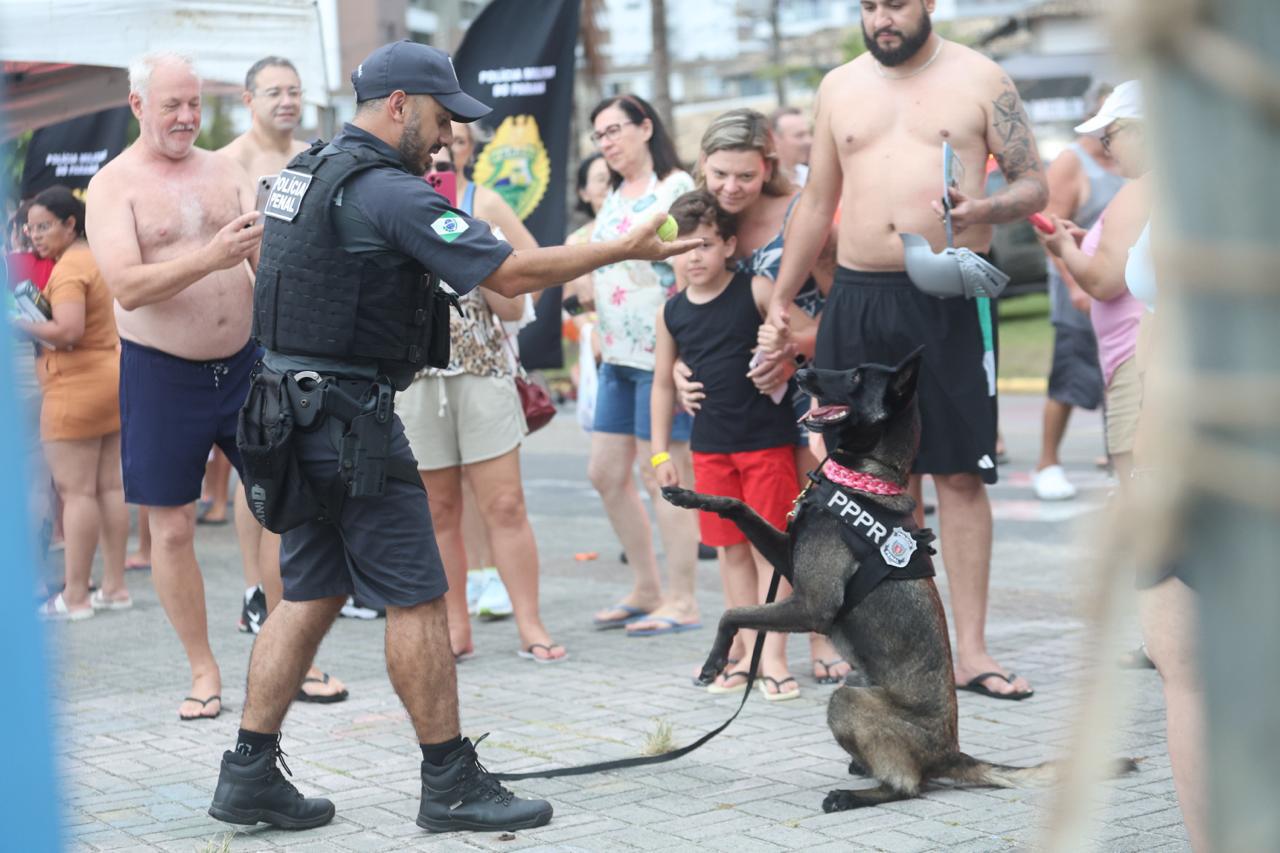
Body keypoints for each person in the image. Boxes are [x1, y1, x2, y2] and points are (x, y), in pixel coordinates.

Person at [205, 40, 698, 833]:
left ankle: (248, 772)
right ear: (398, 105)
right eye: (438, 120)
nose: (444, 139)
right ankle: (450, 781)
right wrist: (626, 247)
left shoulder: (307, 172)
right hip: (352, 425)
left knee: (307, 592)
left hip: (293, 415)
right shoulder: (386, 191)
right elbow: (508, 275)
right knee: (418, 597)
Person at [767, 0, 1048, 700]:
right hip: (858, 298)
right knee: (873, 483)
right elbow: (815, 199)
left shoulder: (983, 79)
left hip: (948, 295)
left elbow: (1033, 182)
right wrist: (783, 290)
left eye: (894, 4)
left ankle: (972, 651)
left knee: (956, 474)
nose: (881, 18)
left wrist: (984, 210)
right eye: (868, 6)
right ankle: (906, 643)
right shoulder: (839, 86)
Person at [86, 52, 263, 721]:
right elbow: (127, 284)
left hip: (244, 361)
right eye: (172, 105)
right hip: (162, 373)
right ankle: (203, 667)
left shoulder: (227, 168)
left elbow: (260, 257)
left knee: (287, 503)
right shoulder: (114, 185)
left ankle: (286, 647)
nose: (187, 117)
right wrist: (212, 256)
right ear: (138, 106)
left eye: (193, 103)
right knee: (172, 527)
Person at [680, 108, 849, 684]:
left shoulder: (802, 212)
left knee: (805, 523)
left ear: (768, 168)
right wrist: (678, 369)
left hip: (803, 391)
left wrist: (797, 345)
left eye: (745, 177)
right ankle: (751, 640)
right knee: (742, 530)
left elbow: (843, 313)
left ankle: (821, 637)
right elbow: (687, 309)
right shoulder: (694, 217)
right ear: (703, 164)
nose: (731, 187)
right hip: (733, 401)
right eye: (719, 173)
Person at [396, 143, 565, 663]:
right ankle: (454, 627)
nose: (439, 165)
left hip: (483, 372)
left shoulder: (484, 205)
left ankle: (531, 624)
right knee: (439, 509)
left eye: (449, 157)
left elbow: (515, 306)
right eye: (432, 157)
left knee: (505, 504)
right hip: (417, 379)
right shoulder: (390, 203)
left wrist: (480, 250)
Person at [216, 55, 348, 703]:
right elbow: (240, 247)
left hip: (311, 328)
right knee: (258, 464)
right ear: (248, 99)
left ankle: (290, 589)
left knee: (292, 463)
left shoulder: (317, 154)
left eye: (295, 91)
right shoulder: (229, 161)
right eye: (274, 91)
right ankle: (256, 590)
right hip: (259, 331)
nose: (287, 101)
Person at [652, 190, 802, 698]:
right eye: (684, 247)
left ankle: (774, 656)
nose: (694, 256)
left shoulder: (755, 290)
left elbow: (795, 337)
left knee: (771, 554)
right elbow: (660, 385)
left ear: (730, 245)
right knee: (730, 552)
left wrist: (782, 352)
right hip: (709, 451)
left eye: (706, 244)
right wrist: (658, 454)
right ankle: (745, 653)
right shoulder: (671, 313)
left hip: (765, 446)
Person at [585, 94, 702, 637]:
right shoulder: (612, 194)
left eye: (614, 130)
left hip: (660, 360)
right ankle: (647, 587)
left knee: (666, 477)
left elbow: (689, 275)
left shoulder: (674, 189)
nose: (607, 142)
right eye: (599, 136)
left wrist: (684, 356)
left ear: (645, 127)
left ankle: (682, 598)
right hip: (615, 356)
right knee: (606, 474)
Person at [19, 187, 131, 619]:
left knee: (77, 491)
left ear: (70, 223)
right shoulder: (97, 256)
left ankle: (77, 595)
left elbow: (67, 331)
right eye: (30, 228)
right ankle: (115, 587)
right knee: (110, 487)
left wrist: (20, 322)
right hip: (109, 379)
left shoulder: (69, 270)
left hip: (75, 387)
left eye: (44, 226)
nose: (35, 236)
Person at [1038, 81, 1150, 486]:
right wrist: (1090, 242)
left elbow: (1103, 282)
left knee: (1137, 480)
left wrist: (1064, 248)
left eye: (1110, 136)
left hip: (1137, 357)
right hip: (1140, 353)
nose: (1106, 148)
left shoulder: (1138, 192)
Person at [770, 106, 813, 187]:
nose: (809, 141)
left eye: (809, 133)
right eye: (799, 135)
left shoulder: (811, 177)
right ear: (775, 139)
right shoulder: (765, 183)